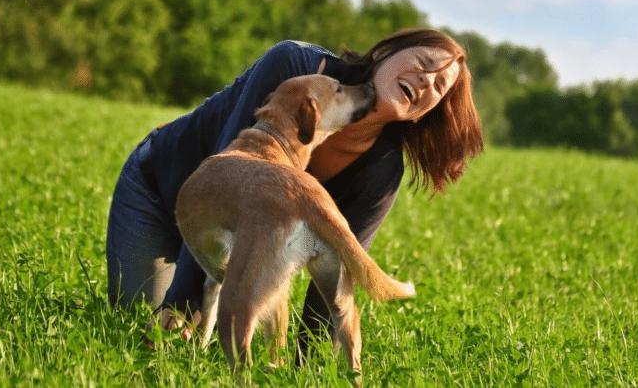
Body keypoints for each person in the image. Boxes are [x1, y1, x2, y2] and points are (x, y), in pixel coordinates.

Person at [105, 28, 484, 361]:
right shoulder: (295, 65)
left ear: (424, 112)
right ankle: (191, 294)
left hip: (238, 245)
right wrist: (184, 298)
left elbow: (334, 278)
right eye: (422, 63)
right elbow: (224, 164)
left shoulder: (381, 171)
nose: (425, 82)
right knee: (143, 335)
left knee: (212, 347)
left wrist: (310, 369)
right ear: (385, 52)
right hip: (159, 194)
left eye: (438, 87)